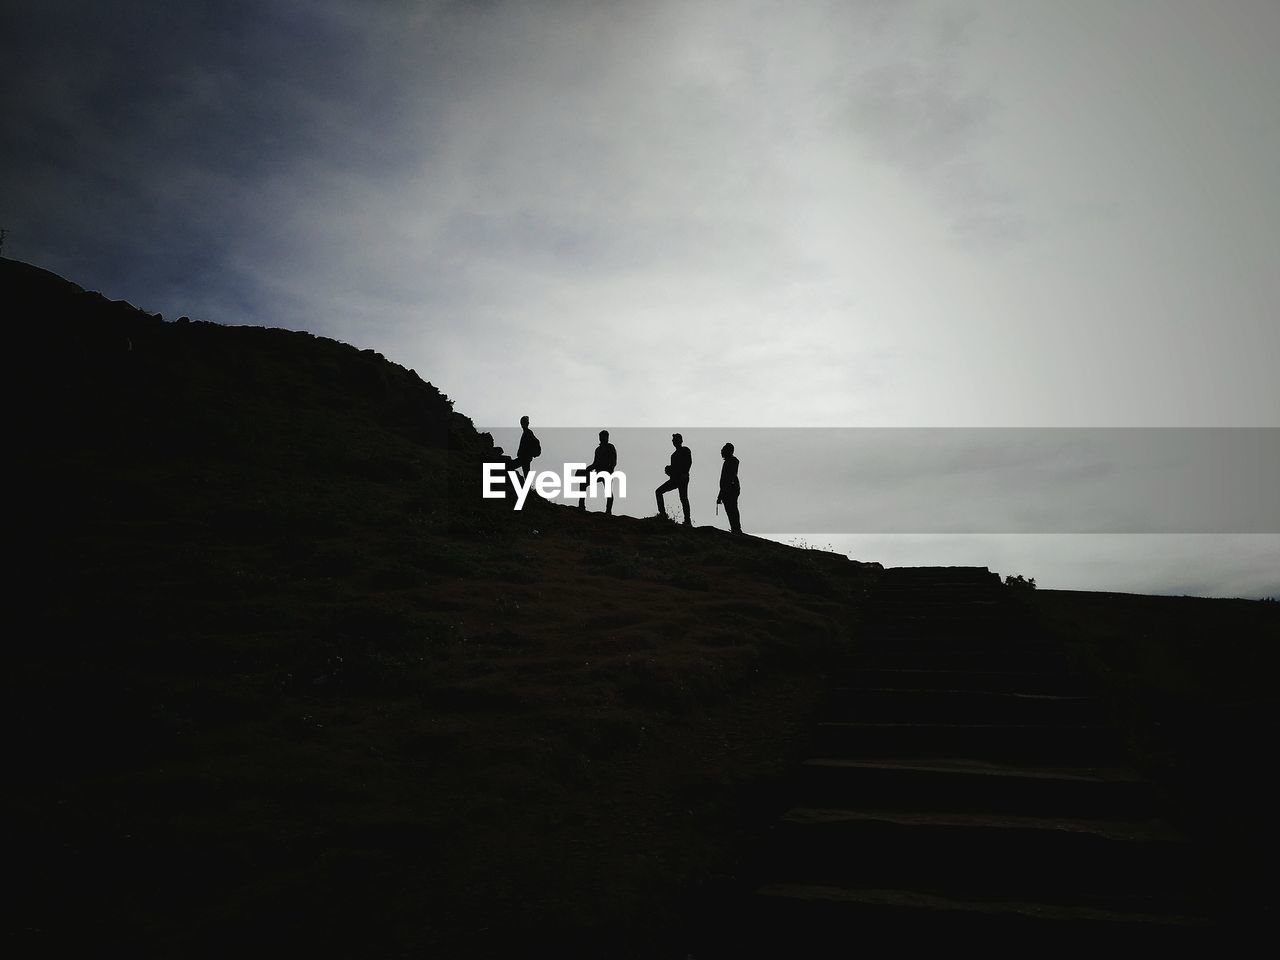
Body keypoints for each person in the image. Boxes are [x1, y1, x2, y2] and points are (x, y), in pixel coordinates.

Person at [655, 432, 692, 525]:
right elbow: (674, 470)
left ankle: (687, 520)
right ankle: (663, 515)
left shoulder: (685, 450)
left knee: (683, 498)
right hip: (675, 479)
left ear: (680, 441)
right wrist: (669, 470)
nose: (674, 441)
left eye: (675, 440)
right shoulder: (673, 455)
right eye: (673, 440)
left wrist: (684, 473)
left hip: (682, 478)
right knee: (659, 492)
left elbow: (688, 463)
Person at [580, 429, 618, 514]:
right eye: (601, 437)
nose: (602, 438)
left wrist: (609, 471)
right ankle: (581, 505)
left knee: (608, 491)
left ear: (607, 437)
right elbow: (595, 464)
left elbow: (614, 461)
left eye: (604, 436)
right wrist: (586, 469)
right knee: (583, 483)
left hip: (607, 473)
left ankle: (608, 510)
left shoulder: (610, 447)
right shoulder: (598, 449)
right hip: (598, 473)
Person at [717, 442, 742, 534]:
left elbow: (728, 478)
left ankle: (736, 529)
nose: (721, 452)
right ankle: (735, 528)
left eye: (723, 450)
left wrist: (723, 492)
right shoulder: (729, 461)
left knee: (732, 509)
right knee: (730, 509)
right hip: (728, 488)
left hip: (731, 489)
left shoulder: (732, 461)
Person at [514, 415, 540, 482]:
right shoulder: (526, 432)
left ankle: (528, 489)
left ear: (527, 423)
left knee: (526, 473)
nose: (522, 424)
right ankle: (528, 489)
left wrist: (530, 453)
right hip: (524, 457)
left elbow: (536, 441)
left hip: (525, 457)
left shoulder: (528, 433)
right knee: (526, 473)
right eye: (522, 422)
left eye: (524, 422)